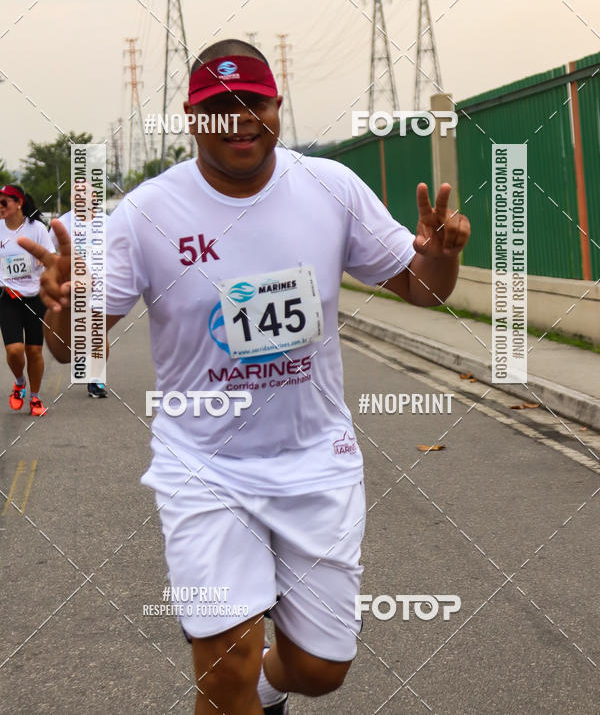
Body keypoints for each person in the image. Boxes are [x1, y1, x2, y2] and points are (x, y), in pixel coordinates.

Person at [21, 39, 471, 714]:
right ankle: (240, 685)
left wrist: (439, 258)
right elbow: (71, 349)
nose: (238, 118)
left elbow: (421, 289)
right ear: (190, 118)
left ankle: (268, 687)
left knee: (320, 669)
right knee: (224, 662)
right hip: (203, 466)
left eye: (251, 103)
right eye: (217, 107)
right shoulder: (146, 213)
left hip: (317, 460)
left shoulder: (330, 187)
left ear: (276, 106)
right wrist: (60, 309)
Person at [0, 184, 54, 417]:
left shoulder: (37, 229)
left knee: (34, 352)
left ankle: (35, 397)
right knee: (14, 350)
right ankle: (20, 382)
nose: (0, 207)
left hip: (35, 298)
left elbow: (51, 256)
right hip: (8, 297)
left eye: (4, 202)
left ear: (18, 203)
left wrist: (45, 259)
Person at [49, 186, 108, 399]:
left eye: (87, 192)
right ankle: (82, 354)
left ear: (94, 196)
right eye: (78, 192)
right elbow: (49, 250)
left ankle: (96, 379)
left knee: (99, 331)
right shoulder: (63, 223)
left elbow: (120, 249)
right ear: (72, 198)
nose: (82, 196)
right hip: (74, 286)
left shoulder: (107, 221)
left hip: (101, 285)